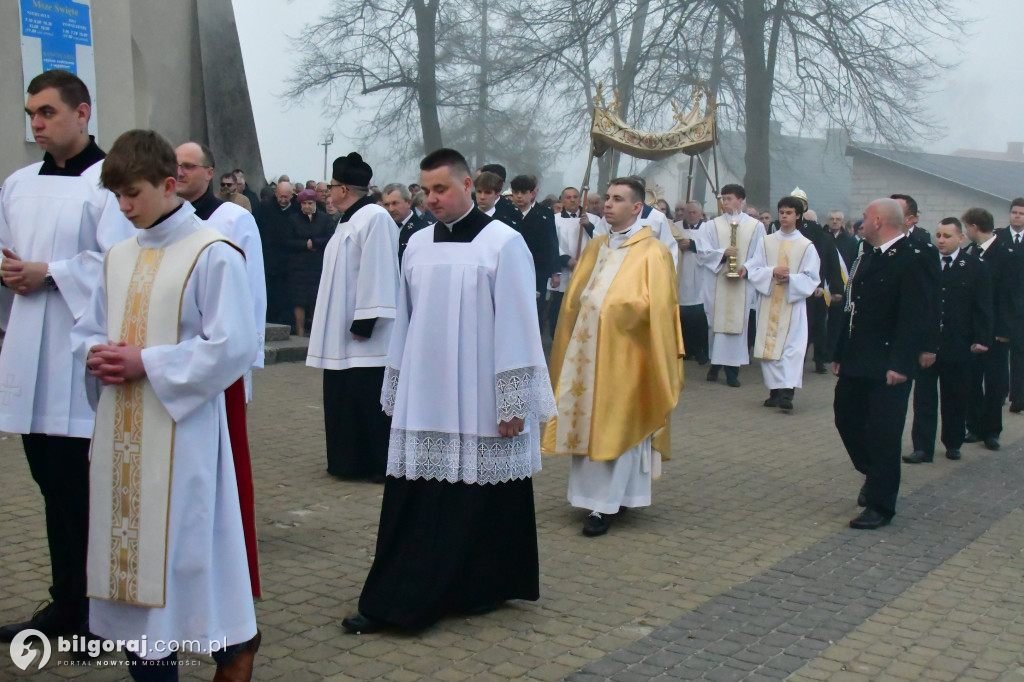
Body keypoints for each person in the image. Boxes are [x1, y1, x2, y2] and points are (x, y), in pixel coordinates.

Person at [71, 128, 260, 680]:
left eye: (134, 193)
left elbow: (233, 345)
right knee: (130, 570)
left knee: (184, 560)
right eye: (117, 196)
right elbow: (87, 330)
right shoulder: (117, 256)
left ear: (170, 184)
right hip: (122, 440)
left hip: (184, 440)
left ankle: (233, 649)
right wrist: (95, 355)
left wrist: (146, 364)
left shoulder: (212, 252)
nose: (124, 207)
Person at [342, 148, 554, 634]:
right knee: (418, 499)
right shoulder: (415, 243)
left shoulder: (503, 243)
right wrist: (396, 384)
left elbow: (519, 323)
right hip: (427, 392)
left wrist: (513, 401)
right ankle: (404, 592)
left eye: (442, 189)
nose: (432, 199)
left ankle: (482, 585)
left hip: (480, 392)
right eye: (427, 190)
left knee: (483, 499)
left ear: (468, 187)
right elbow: (405, 319)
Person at [0, 68, 136, 643]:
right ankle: (65, 604)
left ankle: (102, 613)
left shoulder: (111, 183)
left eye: (47, 112)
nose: (36, 123)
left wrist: (48, 273)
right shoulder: (17, 181)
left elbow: (122, 260)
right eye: (31, 113)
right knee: (52, 488)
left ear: (83, 113)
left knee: (89, 492)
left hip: (81, 358)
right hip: (28, 350)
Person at [543, 177, 684, 537]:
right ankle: (591, 497)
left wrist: (623, 312)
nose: (607, 204)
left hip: (628, 357)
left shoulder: (653, 252)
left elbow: (662, 309)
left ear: (637, 208)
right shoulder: (596, 247)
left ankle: (606, 505)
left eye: (618, 199)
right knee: (589, 423)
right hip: (587, 355)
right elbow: (576, 300)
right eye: (606, 197)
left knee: (619, 424)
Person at [832, 198, 933, 529]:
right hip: (858, 357)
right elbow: (852, 308)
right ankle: (874, 472)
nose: (860, 222)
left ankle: (880, 504)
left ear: (878, 220)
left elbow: (916, 313)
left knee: (884, 433)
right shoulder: (867, 255)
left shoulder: (914, 256)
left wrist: (902, 363)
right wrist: (839, 353)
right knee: (846, 417)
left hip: (889, 361)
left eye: (864, 217)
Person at [306, 153, 399, 480]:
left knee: (366, 400)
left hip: (364, 334)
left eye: (330, 187)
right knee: (342, 397)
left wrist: (366, 320)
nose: (327, 193)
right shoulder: (347, 220)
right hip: (340, 334)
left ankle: (374, 464)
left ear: (343, 188)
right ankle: (346, 462)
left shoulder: (375, 217)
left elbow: (379, 270)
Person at [176, 142, 267, 401]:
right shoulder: (165, 220)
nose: (180, 172)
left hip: (223, 344)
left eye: (189, 166)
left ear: (209, 172)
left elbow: (253, 288)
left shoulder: (235, 219)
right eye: (176, 166)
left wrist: (251, 349)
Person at [906, 217, 992, 463]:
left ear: (961, 238)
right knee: (924, 397)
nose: (941, 240)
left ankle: (953, 442)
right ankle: (922, 447)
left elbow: (983, 307)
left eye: (947, 236)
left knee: (955, 396)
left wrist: (982, 338)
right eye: (939, 235)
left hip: (959, 343)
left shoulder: (975, 267)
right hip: (927, 344)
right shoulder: (926, 264)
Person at [746, 197, 820, 410]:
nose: (784, 216)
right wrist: (772, 272)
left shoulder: (806, 246)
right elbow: (755, 269)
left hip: (792, 304)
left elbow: (812, 276)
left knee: (791, 349)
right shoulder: (766, 242)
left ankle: (787, 393)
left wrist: (791, 279)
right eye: (782, 212)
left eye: (789, 212)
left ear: (798, 215)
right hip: (769, 302)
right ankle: (774, 391)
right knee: (770, 348)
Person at [963, 207, 1021, 451]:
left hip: (996, 330)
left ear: (975, 227)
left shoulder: (1005, 255)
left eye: (966, 228)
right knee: (972, 380)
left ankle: (992, 430)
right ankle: (974, 426)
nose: (966, 232)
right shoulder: (971, 252)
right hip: (973, 329)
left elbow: (1012, 296)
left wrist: (1006, 329)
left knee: (995, 381)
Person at [698, 184, 764, 387]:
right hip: (719, 282)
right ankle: (715, 366)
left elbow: (761, 254)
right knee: (716, 325)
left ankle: (733, 371)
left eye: (729, 198)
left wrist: (747, 267)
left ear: (740, 200)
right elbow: (703, 251)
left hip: (741, 284)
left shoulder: (755, 226)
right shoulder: (712, 225)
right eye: (723, 199)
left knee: (737, 326)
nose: (725, 202)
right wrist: (722, 254)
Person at [509, 174, 559, 330]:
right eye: (515, 192)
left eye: (523, 192)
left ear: (533, 193)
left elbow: (552, 242)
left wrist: (555, 271)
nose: (518, 196)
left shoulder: (544, 214)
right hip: (511, 270)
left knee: (535, 309)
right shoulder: (506, 213)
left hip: (538, 271)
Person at [550, 186, 597, 337]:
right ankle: (557, 336)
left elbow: (601, 239)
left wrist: (588, 226)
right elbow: (551, 243)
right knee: (559, 307)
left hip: (586, 270)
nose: (572, 200)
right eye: (568, 197)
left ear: (580, 199)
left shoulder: (593, 219)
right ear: (562, 200)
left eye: (575, 197)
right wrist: (567, 260)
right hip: (564, 270)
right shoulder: (555, 219)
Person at [286, 188, 333, 336]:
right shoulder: (293, 219)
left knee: (315, 298)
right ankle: (300, 330)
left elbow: (330, 238)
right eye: (304, 203)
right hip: (298, 266)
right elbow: (287, 240)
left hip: (317, 265)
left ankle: (315, 330)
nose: (307, 206)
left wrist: (315, 243)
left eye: (310, 203)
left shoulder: (325, 219)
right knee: (299, 300)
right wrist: (304, 244)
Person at [995, 198, 1024, 412]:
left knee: (1020, 353)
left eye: (1022, 214)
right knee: (998, 355)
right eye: (1014, 212)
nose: (1017, 216)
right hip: (1001, 305)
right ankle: (1000, 393)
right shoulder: (998, 238)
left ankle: (1018, 397)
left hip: (1022, 306)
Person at [674, 201, 710, 364]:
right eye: (687, 212)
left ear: (701, 214)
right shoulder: (676, 227)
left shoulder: (708, 229)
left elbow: (712, 250)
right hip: (681, 274)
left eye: (693, 212)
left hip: (701, 275)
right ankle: (685, 349)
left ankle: (701, 350)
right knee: (683, 315)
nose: (690, 215)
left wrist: (692, 244)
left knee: (699, 315)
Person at [382, 183, 427, 264]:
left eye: (395, 203)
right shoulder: (382, 228)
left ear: (409, 203)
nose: (391, 209)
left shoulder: (422, 228)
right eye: (386, 205)